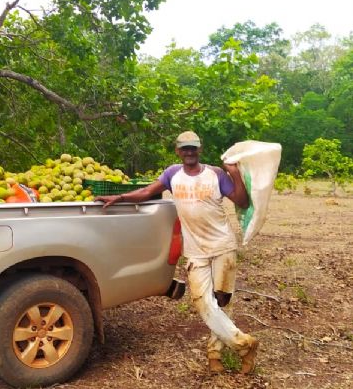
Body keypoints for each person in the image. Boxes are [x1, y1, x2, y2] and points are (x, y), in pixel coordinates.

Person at [96, 131, 259, 375]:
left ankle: (214, 355)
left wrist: (234, 173)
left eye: (193, 148)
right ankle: (244, 345)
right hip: (195, 251)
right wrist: (119, 197)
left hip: (222, 246)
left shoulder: (215, 174)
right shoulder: (173, 173)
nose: (189, 152)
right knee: (202, 302)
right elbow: (147, 192)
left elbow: (243, 202)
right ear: (178, 151)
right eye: (185, 148)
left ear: (199, 149)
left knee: (221, 301)